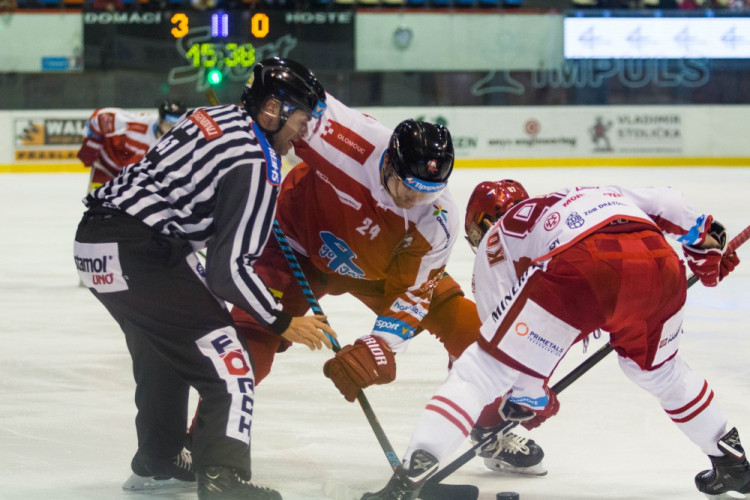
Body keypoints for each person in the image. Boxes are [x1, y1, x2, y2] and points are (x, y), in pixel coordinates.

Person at [226, 92, 545, 476]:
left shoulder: (438, 217)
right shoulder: (351, 143)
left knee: (471, 329)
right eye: (409, 185)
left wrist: (378, 347)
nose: (416, 198)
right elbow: (294, 103)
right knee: (249, 342)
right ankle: (203, 443)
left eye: (429, 190)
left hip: (380, 272)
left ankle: (490, 425)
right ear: (389, 164)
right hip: (294, 248)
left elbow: (411, 297)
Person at [363, 179, 745, 499]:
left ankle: (409, 478)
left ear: (479, 226)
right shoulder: (591, 193)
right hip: (662, 265)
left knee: (480, 372)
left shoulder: (497, 240)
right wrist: (704, 253)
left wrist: (529, 395)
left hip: (585, 266)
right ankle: (732, 462)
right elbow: (674, 206)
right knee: (662, 373)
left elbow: (508, 354)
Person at [73, 57, 336, 500]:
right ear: (272, 110)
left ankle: (158, 461)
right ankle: (222, 477)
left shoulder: (208, 116)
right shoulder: (259, 161)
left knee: (164, 354)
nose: (303, 130)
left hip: (95, 246)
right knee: (230, 362)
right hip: (143, 253)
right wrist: (282, 320)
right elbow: (228, 271)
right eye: (301, 118)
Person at [77, 99, 187, 193]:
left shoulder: (180, 141)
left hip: (133, 178)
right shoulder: (138, 125)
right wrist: (92, 143)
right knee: (96, 205)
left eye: (176, 125)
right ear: (160, 120)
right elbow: (101, 117)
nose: (172, 129)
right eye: (169, 124)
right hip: (106, 167)